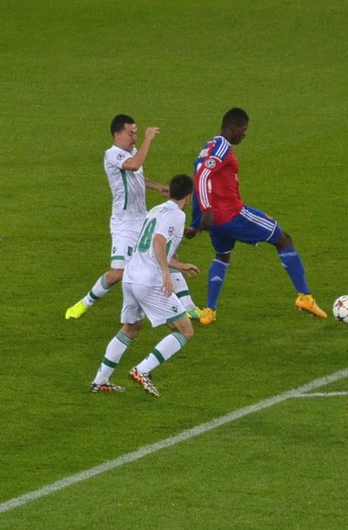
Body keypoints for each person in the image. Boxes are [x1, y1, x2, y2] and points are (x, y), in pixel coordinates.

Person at [184, 107, 326, 326]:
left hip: (216, 223)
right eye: (243, 129)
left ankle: (209, 312)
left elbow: (199, 178)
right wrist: (207, 211)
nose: (245, 134)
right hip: (232, 215)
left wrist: (196, 221)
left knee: (222, 256)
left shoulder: (208, 147)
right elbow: (203, 176)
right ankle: (305, 297)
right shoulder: (222, 146)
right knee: (283, 239)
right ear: (232, 127)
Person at [65, 114, 200, 320]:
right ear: (117, 134)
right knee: (116, 274)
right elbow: (135, 165)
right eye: (131, 134)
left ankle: (189, 307)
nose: (134, 138)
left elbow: (137, 174)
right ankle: (83, 304)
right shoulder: (113, 154)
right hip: (124, 223)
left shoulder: (131, 151)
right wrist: (148, 138)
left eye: (137, 133)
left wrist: (159, 187)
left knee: (170, 256)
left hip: (142, 218)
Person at [90, 174, 200, 396]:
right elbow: (159, 241)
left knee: (131, 328)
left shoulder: (156, 210)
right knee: (185, 330)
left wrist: (180, 265)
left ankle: (100, 380)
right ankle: (142, 370)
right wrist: (166, 273)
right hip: (149, 281)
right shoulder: (177, 215)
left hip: (131, 277)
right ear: (188, 197)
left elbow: (150, 247)